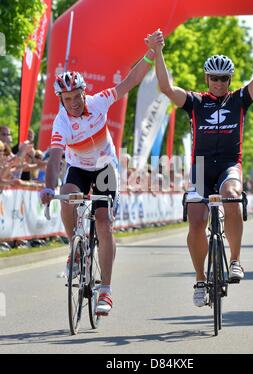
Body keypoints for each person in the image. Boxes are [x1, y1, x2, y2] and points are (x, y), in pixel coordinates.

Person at [146, 13, 253, 307]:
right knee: (197, 223)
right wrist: (158, 53)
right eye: (214, 78)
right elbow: (165, 87)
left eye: (224, 78)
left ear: (230, 79)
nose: (219, 83)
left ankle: (235, 260)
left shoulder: (240, 99)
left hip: (229, 165)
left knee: (232, 196)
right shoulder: (195, 102)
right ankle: (200, 278)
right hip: (200, 169)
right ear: (206, 78)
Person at [40, 31, 162, 316]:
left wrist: (150, 54)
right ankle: (76, 248)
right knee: (68, 196)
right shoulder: (61, 123)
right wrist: (48, 188)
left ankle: (105, 290)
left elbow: (129, 82)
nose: (73, 102)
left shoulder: (98, 102)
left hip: (106, 167)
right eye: (66, 98)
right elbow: (55, 157)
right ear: (61, 98)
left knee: (104, 222)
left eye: (76, 96)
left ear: (84, 93)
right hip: (79, 168)